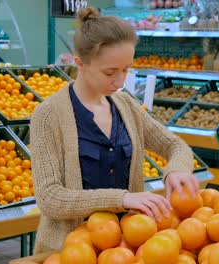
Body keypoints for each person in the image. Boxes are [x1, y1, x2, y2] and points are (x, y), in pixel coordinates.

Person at [30, 7, 198, 253]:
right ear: (80, 63)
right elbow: (50, 198)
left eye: (126, 70)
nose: (120, 82)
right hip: (69, 251)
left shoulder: (126, 106)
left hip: (127, 249)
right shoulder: (48, 116)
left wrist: (175, 171)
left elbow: (175, 145)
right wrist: (121, 199)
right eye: (110, 72)